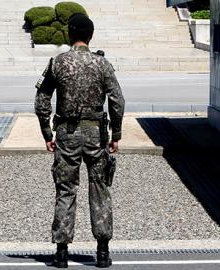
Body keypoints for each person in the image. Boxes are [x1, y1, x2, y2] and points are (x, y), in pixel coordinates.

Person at [34, 13, 125, 268]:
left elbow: (41, 101)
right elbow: (117, 101)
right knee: (100, 188)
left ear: (69, 35)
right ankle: (103, 252)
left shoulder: (57, 63)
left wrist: (47, 133)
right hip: (96, 134)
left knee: (65, 189)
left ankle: (61, 252)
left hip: (66, 134)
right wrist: (116, 134)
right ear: (91, 35)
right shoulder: (102, 64)